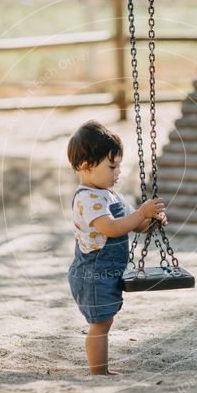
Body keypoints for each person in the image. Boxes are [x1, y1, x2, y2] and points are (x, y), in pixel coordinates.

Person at [66, 120, 167, 375]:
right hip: (92, 273)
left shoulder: (111, 195)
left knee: (105, 321)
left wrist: (150, 222)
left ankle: (100, 369)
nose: (118, 172)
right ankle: (98, 372)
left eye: (118, 165)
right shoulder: (87, 198)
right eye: (112, 166)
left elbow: (133, 225)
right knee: (100, 324)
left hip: (107, 272)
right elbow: (112, 228)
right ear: (86, 166)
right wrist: (141, 212)